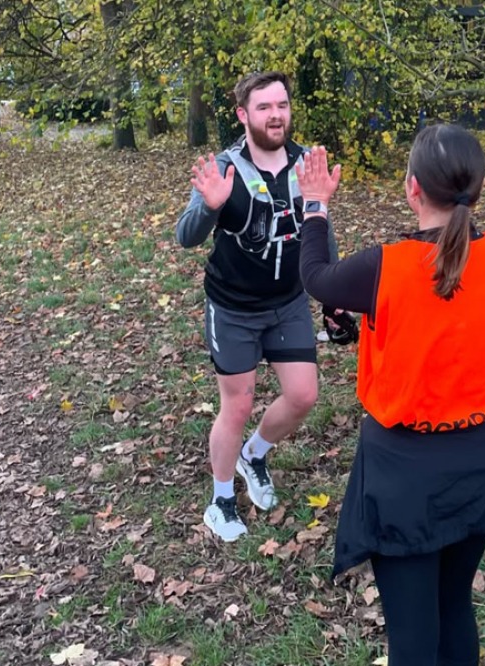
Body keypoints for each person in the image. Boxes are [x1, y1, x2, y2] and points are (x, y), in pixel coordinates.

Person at [298, 126, 485, 666]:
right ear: (476, 187)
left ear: (412, 188)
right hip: (484, 459)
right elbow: (467, 314)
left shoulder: (385, 265)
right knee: (455, 605)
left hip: (405, 473)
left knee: (412, 635)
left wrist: (315, 205)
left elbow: (316, 276)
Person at [175, 72, 340, 542]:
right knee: (238, 403)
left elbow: (321, 231)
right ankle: (221, 500)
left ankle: (254, 454)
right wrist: (210, 206)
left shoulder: (306, 164)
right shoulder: (225, 168)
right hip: (233, 307)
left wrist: (332, 297)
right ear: (243, 115)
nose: (275, 115)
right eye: (264, 107)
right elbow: (186, 236)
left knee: (303, 396)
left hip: (288, 303)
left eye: (282, 105)